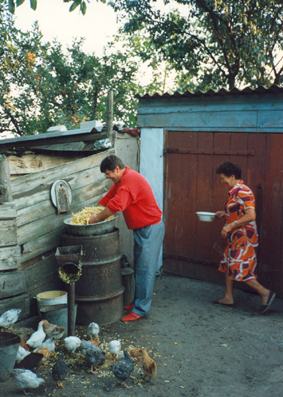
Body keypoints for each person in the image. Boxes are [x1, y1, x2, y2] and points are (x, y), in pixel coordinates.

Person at [88, 155, 165, 322]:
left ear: (117, 169)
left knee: (146, 270)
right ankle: (138, 302)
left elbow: (116, 206)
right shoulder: (120, 181)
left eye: (108, 174)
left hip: (150, 228)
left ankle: (141, 310)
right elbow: (108, 198)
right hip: (142, 228)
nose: (107, 177)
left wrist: (95, 219)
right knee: (140, 267)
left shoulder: (129, 181)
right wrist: (91, 212)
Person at [214, 161, 275, 314]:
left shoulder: (243, 191)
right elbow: (239, 212)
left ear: (232, 176)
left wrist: (229, 226)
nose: (222, 181)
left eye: (223, 178)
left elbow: (250, 215)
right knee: (229, 263)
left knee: (238, 267)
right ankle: (228, 298)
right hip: (236, 236)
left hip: (244, 237)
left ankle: (264, 292)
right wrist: (225, 215)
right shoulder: (235, 192)